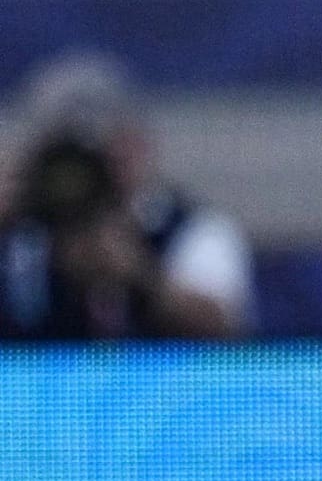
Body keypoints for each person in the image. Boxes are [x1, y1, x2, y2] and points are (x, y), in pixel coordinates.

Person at [1, 52, 253, 339]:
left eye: (101, 149)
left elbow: (225, 331)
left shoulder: (191, 229)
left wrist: (140, 277)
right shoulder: (19, 231)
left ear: (137, 143)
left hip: (156, 368)